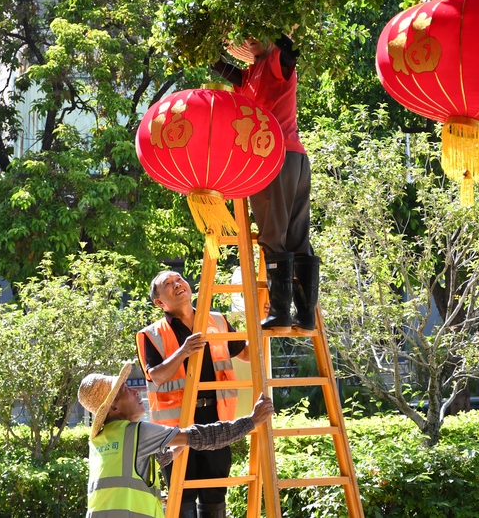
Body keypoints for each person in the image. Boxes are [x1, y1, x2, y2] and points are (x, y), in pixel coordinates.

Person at [214, 34, 320, 331]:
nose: (250, 39)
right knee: (297, 237)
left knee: (273, 236)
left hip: (271, 158)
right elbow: (225, 70)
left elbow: (286, 61)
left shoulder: (273, 61)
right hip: (295, 157)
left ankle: (281, 313)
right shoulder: (249, 74)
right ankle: (306, 316)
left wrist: (286, 47)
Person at [78, 362, 274, 518]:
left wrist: (176, 444)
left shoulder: (100, 440)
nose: (136, 392)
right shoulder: (137, 432)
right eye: (126, 390)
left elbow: (143, 465)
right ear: (114, 409)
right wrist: (252, 421)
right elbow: (203, 437)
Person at [136, 271, 249, 518]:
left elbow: (247, 354)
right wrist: (184, 351)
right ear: (159, 302)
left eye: (179, 279)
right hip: (175, 429)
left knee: (215, 493)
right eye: (168, 284)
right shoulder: (151, 334)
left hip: (217, 418)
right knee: (181, 492)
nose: (177, 284)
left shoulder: (217, 321)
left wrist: (262, 322)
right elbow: (156, 375)